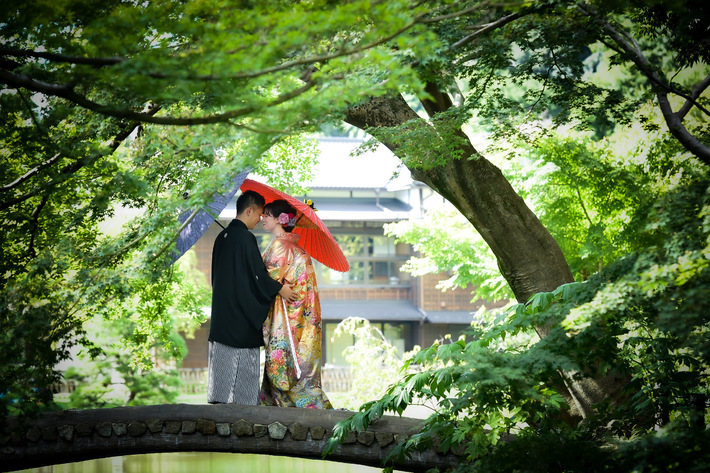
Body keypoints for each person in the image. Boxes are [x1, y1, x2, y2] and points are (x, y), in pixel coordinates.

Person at [207, 190, 296, 405]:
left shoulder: (222, 237)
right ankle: (245, 409)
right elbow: (257, 275)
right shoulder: (245, 238)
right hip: (240, 316)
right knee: (244, 378)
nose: (260, 219)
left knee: (222, 371)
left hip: (222, 313)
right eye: (259, 214)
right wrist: (280, 289)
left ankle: (218, 405)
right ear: (249, 211)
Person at [259, 199, 333, 409]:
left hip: (286, 314)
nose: (263, 218)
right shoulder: (291, 245)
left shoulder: (281, 246)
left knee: (283, 362)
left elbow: (267, 279)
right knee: (297, 359)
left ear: (279, 220)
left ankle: (291, 402)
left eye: (267, 215)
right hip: (299, 314)